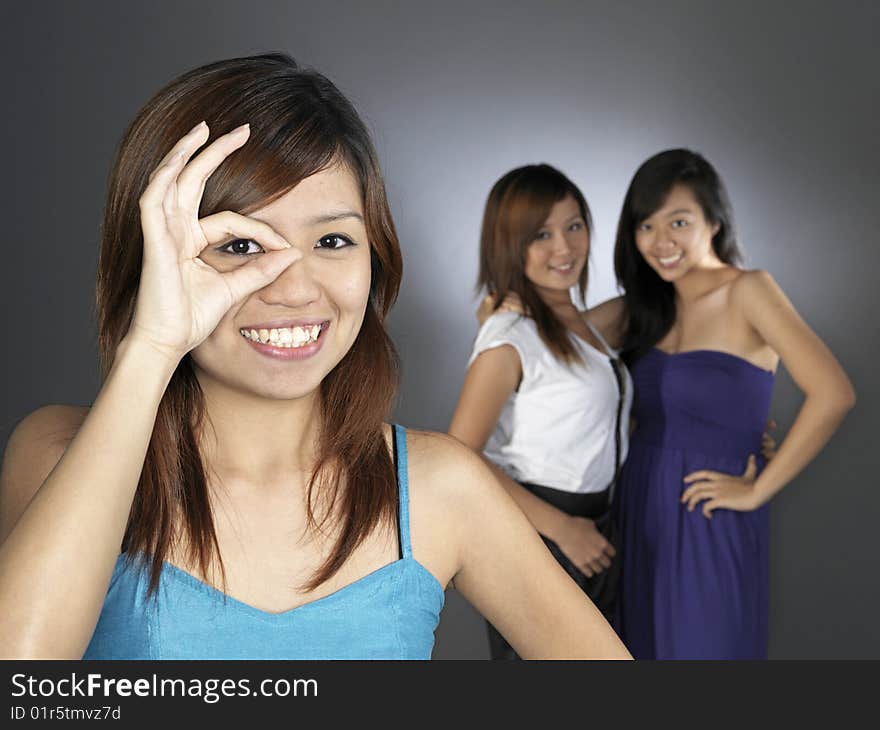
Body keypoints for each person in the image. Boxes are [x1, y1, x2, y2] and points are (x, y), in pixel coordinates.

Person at [0, 54, 630, 660]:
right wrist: (152, 346)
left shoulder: (442, 488)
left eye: (332, 239)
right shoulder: (54, 454)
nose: (296, 289)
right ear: (154, 259)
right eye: (240, 243)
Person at [605, 148, 856, 659]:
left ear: (714, 222)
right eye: (646, 226)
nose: (661, 241)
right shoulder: (644, 308)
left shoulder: (749, 291)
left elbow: (833, 392)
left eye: (679, 221)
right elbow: (551, 333)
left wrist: (758, 488)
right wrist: (506, 305)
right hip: (636, 508)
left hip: (708, 511)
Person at [449, 164, 633, 659]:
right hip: (543, 532)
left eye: (574, 226)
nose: (564, 248)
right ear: (509, 245)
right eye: (541, 235)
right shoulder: (510, 336)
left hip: (597, 527)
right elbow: (459, 457)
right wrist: (562, 529)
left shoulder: (581, 325)